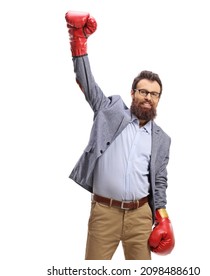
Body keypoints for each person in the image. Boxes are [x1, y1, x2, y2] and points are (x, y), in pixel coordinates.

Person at [65, 10, 175, 260]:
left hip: (140, 217)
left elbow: (159, 181)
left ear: (158, 99)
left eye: (154, 94)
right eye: (143, 91)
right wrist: (77, 42)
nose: (148, 97)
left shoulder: (162, 139)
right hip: (105, 213)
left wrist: (162, 216)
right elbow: (87, 82)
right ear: (132, 92)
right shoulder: (109, 111)